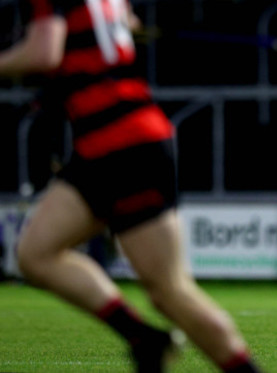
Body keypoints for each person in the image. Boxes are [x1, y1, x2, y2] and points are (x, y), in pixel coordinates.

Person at [0, 1, 261, 372]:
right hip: (98, 146)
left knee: (169, 292)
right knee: (35, 254)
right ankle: (143, 338)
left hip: (124, 144)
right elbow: (123, 21)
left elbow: (44, 52)